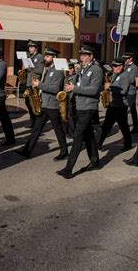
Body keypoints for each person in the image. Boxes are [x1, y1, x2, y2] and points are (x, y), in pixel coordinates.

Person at [56, 45, 104, 179]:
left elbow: (94, 90)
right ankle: (95, 161)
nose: (81, 57)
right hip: (80, 106)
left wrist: (74, 88)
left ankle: (68, 169)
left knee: (78, 137)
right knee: (88, 135)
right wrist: (71, 77)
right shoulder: (83, 69)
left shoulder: (96, 70)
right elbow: (77, 84)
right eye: (81, 54)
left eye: (84, 55)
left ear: (91, 56)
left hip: (88, 107)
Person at [15, 48, 68, 160]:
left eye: (48, 56)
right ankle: (27, 150)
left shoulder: (58, 71)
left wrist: (39, 85)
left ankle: (64, 151)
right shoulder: (47, 69)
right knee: (36, 129)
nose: (45, 58)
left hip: (52, 104)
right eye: (45, 56)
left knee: (58, 130)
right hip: (44, 104)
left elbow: (55, 89)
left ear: (54, 57)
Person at [98, 58, 132, 152]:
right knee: (106, 126)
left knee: (123, 126)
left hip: (121, 105)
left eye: (116, 66)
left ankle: (128, 144)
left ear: (121, 66)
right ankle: (100, 143)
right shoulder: (114, 75)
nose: (114, 68)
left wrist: (111, 87)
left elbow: (123, 90)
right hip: (113, 104)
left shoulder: (125, 76)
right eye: (113, 66)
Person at [24, 40, 44, 128]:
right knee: (28, 102)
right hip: (28, 82)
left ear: (36, 48)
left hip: (34, 83)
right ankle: (33, 120)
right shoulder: (29, 56)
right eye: (29, 47)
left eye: (32, 47)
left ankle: (36, 122)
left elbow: (40, 70)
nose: (30, 49)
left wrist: (29, 67)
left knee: (34, 103)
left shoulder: (39, 57)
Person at [122, 52, 138, 134]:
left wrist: (122, 78)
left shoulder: (134, 67)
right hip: (125, 90)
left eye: (127, 59)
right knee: (132, 110)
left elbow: (132, 80)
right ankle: (135, 127)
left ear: (131, 58)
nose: (125, 60)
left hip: (131, 91)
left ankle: (131, 128)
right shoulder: (125, 66)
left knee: (127, 109)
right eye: (124, 59)